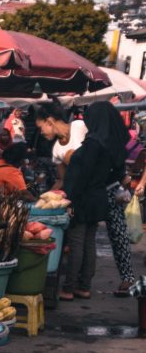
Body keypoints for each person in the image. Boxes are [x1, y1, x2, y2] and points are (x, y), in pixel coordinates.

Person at [60, 104, 128, 299]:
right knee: (88, 242)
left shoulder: (93, 145)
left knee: (77, 242)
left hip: (83, 198)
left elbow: (81, 176)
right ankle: (84, 286)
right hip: (97, 198)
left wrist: (70, 199)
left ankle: (69, 287)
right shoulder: (108, 146)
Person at [35, 100, 87, 176]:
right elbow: (62, 180)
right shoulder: (56, 150)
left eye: (40, 128)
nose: (41, 132)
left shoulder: (79, 126)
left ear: (49, 122)